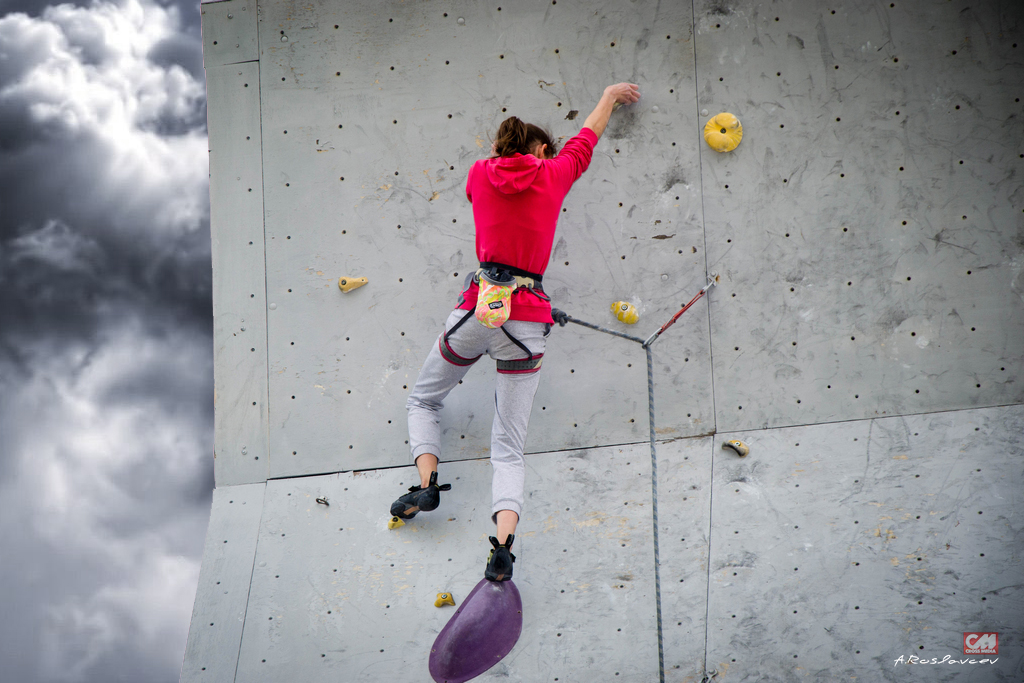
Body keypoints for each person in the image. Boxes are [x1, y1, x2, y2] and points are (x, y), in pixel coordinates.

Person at [390, 82, 642, 581]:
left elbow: (489, 180)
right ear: (542, 150)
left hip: (476, 309)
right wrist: (610, 96)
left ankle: (428, 482)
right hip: (527, 323)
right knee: (508, 445)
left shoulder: (479, 174)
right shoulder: (553, 174)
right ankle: (502, 546)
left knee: (423, 400)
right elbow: (584, 141)